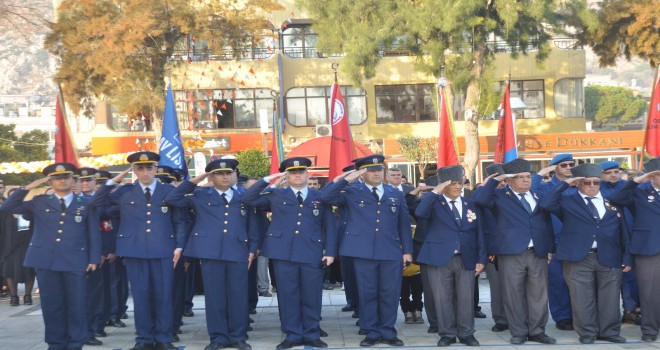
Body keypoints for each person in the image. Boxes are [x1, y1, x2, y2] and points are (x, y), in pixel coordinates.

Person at [92, 151, 187, 350]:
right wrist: (112, 181)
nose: (145, 172)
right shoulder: (124, 191)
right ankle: (143, 339)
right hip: (134, 250)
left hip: (163, 250)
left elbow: (179, 219)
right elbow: (97, 202)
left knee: (163, 295)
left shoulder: (168, 190)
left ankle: (163, 338)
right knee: (141, 296)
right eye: (140, 168)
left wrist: (179, 246)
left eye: (149, 168)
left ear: (155, 169)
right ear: (133, 170)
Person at [0, 162, 101, 350]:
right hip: (46, 261)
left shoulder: (86, 204)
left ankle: (75, 343)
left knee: (77, 305)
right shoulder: (39, 202)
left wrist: (94, 258)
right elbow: (7, 207)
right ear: (50, 181)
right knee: (51, 305)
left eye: (66, 177)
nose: (62, 180)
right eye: (56, 178)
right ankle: (55, 343)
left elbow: (93, 233)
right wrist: (30, 186)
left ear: (73, 180)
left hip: (75, 260)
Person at [243, 157, 337, 349]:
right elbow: (247, 199)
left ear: (307, 174)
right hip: (283, 252)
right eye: (293, 173)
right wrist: (268, 179)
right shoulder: (276, 194)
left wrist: (331, 252)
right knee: (287, 295)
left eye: (301, 172)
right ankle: (292, 334)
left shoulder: (319, 196)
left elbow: (330, 226)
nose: (297, 175)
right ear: (286, 176)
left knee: (312, 295)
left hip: (313, 252)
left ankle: (312, 333)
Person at [319, 155, 413, 347]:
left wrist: (407, 251)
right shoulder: (351, 191)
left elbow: (403, 224)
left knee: (390, 293)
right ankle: (371, 332)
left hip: (390, 250)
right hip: (361, 251)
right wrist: (346, 179)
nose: (377, 173)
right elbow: (324, 197)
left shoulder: (394, 192)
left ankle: (388, 331)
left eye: (379, 169)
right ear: (362, 174)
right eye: (371, 170)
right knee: (367, 293)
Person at [166, 159, 257, 350]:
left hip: (238, 250)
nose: (225, 176)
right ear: (211, 176)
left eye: (229, 173)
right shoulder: (200, 194)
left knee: (238, 296)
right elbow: (173, 198)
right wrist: (197, 179)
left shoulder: (245, 195)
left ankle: (238, 336)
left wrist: (252, 249)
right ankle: (218, 337)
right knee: (215, 297)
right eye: (219, 173)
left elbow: (253, 224)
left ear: (235, 175)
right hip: (210, 251)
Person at [540, 163, 631, 344]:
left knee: (610, 297)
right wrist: (567, 183)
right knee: (581, 298)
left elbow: (623, 231)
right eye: (586, 182)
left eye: (596, 182)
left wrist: (627, 257)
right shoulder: (567, 201)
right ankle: (587, 333)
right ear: (579, 183)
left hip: (609, 256)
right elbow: (546, 203)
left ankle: (609, 332)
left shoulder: (611, 201)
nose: (591, 186)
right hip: (578, 257)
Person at [473, 158, 556, 345]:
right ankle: (518, 331)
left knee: (539, 295)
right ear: (509, 180)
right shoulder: (500, 195)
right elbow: (478, 200)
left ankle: (537, 331)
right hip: (511, 252)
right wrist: (496, 179)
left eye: (528, 177)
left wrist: (550, 248)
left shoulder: (537, 195)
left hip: (538, 252)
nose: (526, 180)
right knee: (513, 294)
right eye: (521, 177)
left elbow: (546, 223)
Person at [415, 165, 486, 347]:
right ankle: (446, 333)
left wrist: (481, 259)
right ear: (443, 185)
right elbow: (420, 213)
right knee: (442, 298)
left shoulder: (470, 204)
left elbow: (478, 233)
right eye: (453, 183)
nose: (458, 187)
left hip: (466, 258)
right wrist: (435, 191)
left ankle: (466, 333)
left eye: (460, 183)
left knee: (466, 298)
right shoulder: (433, 202)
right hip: (439, 258)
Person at [608, 157, 660, 342]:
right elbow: (615, 199)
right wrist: (637, 180)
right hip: (648, 248)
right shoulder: (639, 191)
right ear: (652, 176)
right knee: (649, 293)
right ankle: (650, 330)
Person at [532, 153, 575, 331]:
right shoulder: (545, 187)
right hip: (554, 241)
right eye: (563, 165)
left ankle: (579, 315)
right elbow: (530, 190)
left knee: (579, 282)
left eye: (571, 164)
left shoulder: (579, 184)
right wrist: (541, 173)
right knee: (557, 282)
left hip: (576, 240)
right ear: (554, 168)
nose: (568, 168)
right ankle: (563, 316)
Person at [600, 161, 641, 326]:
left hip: (630, 236)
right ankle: (605, 316)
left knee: (630, 277)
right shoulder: (596, 187)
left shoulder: (629, 186)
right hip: (609, 239)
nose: (613, 175)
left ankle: (630, 311)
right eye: (609, 172)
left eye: (616, 171)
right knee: (607, 279)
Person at [478, 163, 509, 333]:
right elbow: (478, 201)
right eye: (498, 179)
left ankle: (517, 318)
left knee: (516, 287)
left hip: (514, 247)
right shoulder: (484, 193)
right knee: (497, 287)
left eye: (505, 178)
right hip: (493, 249)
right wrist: (488, 185)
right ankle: (501, 319)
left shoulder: (512, 194)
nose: (502, 182)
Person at [0, 187, 36, 306]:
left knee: (29, 272)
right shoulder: (4, 212)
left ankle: (27, 296)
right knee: (10, 272)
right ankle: (14, 297)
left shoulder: (28, 210)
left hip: (27, 245)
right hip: (10, 247)